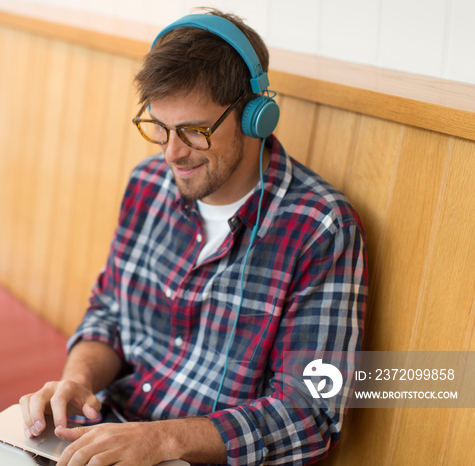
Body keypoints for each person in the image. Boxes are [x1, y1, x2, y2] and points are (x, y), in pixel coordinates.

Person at [20, 8, 367, 466]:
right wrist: (78, 380)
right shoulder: (147, 184)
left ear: (254, 117)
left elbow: (312, 414)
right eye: (159, 128)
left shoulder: (321, 227)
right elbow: (108, 313)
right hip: (106, 439)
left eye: (194, 132)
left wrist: (159, 441)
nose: (172, 153)